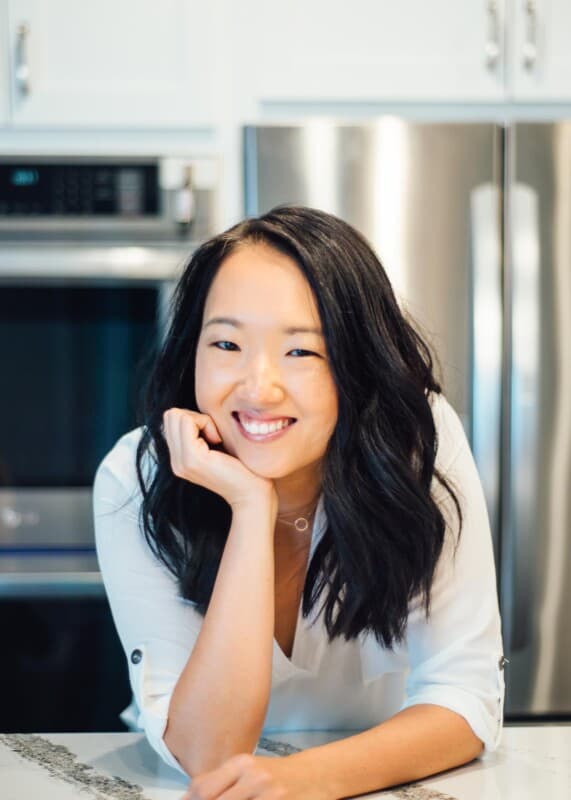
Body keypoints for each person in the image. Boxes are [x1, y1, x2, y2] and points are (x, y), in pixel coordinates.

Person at [94, 205, 505, 799]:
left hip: (383, 781)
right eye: (227, 343)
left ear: (357, 363)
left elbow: (466, 698)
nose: (258, 388)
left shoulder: (419, 445)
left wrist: (300, 779)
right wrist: (249, 507)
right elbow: (209, 756)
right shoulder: (139, 478)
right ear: (192, 352)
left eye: (302, 352)